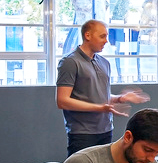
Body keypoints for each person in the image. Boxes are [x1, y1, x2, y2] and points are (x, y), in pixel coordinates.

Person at [55, 19, 148, 156]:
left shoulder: (104, 63)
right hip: (82, 134)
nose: (106, 41)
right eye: (102, 36)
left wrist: (120, 98)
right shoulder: (70, 62)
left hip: (106, 130)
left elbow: (99, 97)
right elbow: (62, 101)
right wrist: (100, 108)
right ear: (87, 35)